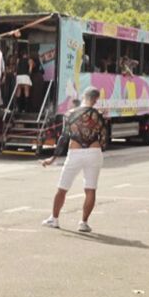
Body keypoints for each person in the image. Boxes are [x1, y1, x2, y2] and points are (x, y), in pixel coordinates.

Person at [42, 87, 106, 232]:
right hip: (94, 152)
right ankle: (83, 223)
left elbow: (64, 138)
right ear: (96, 99)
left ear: (84, 96)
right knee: (91, 189)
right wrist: (96, 149)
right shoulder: (99, 115)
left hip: (75, 152)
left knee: (62, 187)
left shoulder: (70, 114)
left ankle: (54, 219)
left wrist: (53, 158)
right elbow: (103, 138)